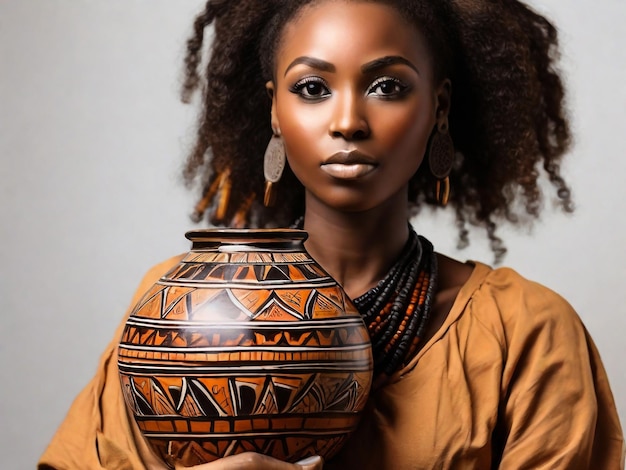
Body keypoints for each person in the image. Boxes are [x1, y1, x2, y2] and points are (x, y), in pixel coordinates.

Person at [39, 0, 625, 468]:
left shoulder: (525, 331)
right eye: (312, 88)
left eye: (388, 86)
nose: (348, 121)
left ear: (438, 108)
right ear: (274, 112)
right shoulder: (177, 311)